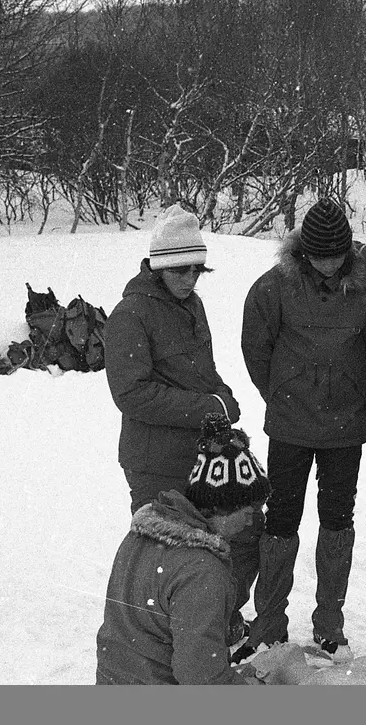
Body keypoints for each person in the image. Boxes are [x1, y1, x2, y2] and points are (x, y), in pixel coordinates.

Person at [104, 204, 259, 647]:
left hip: (199, 457)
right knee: (165, 556)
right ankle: (162, 643)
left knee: (231, 540)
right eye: (180, 271)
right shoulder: (129, 315)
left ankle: (211, 625)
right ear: (158, 267)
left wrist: (224, 396)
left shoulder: (193, 306)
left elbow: (201, 373)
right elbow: (131, 394)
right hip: (153, 461)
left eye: (197, 270)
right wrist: (208, 408)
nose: (189, 279)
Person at [238, 198, 366, 663]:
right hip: (289, 425)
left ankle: (330, 622)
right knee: (281, 519)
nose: (327, 264)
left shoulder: (365, 289)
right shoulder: (272, 288)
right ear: (302, 251)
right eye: (318, 255)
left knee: (338, 519)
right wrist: (283, 392)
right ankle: (268, 621)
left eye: (335, 255)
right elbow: (255, 348)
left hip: (345, 425)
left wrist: (352, 388)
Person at [97, 414, 275, 685]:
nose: (254, 519)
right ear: (222, 506)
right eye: (250, 509)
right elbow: (201, 679)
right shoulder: (202, 571)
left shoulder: (140, 538)